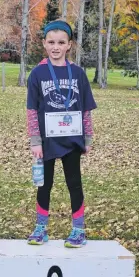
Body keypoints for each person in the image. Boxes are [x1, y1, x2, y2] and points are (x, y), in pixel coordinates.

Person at [26, 20, 97, 248]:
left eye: (61, 42)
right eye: (51, 42)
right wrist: (35, 141)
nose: (56, 47)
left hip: (72, 139)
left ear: (69, 45)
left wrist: (88, 137)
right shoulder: (37, 74)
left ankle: (78, 229)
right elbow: (31, 111)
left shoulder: (78, 73)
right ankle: (40, 227)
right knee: (43, 184)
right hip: (46, 141)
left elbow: (85, 108)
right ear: (44, 44)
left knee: (74, 183)